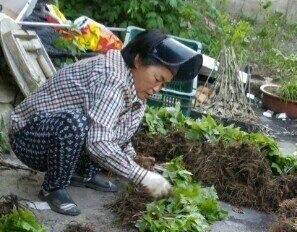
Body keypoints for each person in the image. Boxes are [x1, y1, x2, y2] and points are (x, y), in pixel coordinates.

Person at [8, 29, 203, 216]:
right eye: (157, 79)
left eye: (164, 84)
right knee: (75, 123)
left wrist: (136, 161)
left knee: (105, 126)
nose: (157, 89)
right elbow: (97, 142)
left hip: (59, 139)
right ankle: (53, 188)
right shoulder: (111, 78)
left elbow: (117, 131)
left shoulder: (136, 89)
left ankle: (84, 174)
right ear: (138, 60)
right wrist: (142, 177)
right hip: (28, 136)